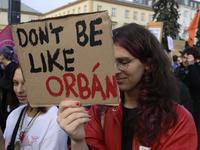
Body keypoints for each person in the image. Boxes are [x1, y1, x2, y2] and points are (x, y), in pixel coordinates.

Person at [57, 23, 197, 149]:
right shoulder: (100, 110)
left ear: (148, 63)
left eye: (123, 61)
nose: (115, 70)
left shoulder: (178, 121)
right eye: (110, 61)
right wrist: (77, 140)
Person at [4, 66, 68, 149]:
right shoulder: (14, 114)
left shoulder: (55, 119)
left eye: (26, 83)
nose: (19, 90)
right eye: (16, 83)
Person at [174, 46, 200, 149]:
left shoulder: (196, 68)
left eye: (187, 57)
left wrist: (192, 66)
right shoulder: (180, 69)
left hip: (195, 105)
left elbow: (196, 82)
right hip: (181, 104)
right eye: (184, 57)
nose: (185, 60)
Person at [0, 46, 18, 120]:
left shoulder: (13, 68)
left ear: (1, 56)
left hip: (11, 102)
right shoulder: (7, 67)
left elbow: (11, 84)